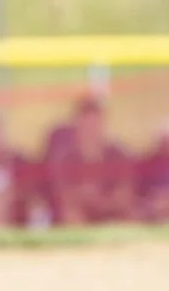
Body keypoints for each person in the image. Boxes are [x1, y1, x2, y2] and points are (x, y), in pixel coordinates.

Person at [41, 94, 134, 225]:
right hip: (79, 212)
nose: (91, 129)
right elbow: (63, 196)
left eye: (95, 122)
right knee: (70, 214)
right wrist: (86, 197)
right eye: (87, 122)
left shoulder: (118, 155)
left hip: (111, 210)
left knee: (129, 215)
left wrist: (103, 202)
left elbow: (124, 193)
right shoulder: (65, 159)